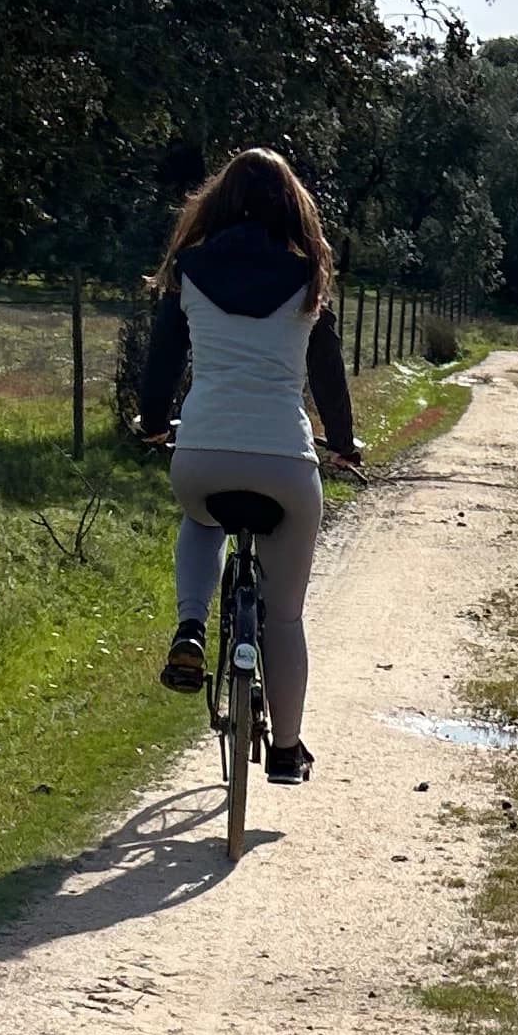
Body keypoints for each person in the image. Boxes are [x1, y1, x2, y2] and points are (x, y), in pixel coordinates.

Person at [136, 148, 361, 786]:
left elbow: (161, 364)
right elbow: (328, 376)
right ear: (292, 207)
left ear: (217, 203)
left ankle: (190, 625)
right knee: (284, 617)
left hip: (203, 456)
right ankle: (286, 752)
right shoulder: (309, 276)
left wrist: (153, 424)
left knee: (200, 517)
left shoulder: (189, 270)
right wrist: (343, 443)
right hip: (286, 464)